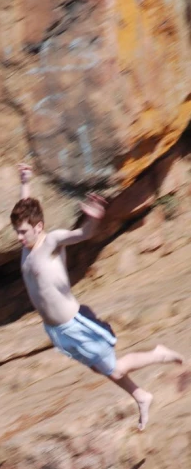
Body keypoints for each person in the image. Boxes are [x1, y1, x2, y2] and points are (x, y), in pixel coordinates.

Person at [11, 163, 183, 431]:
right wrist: (25, 182)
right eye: (17, 232)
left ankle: (159, 354)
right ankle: (141, 395)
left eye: (23, 232)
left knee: (115, 368)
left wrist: (92, 218)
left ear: (39, 227)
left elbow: (83, 234)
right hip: (57, 330)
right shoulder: (27, 245)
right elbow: (26, 208)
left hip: (77, 324)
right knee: (100, 368)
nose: (19, 237)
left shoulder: (51, 242)